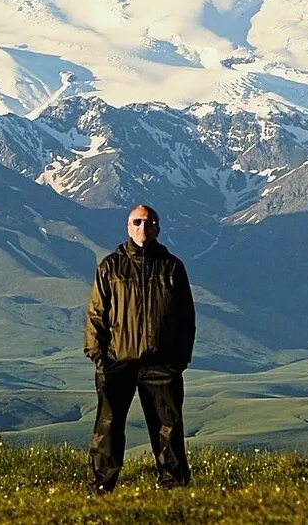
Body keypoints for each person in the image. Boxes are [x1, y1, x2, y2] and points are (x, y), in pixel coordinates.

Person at [83, 203, 196, 493]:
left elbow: (186, 317)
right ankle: (99, 488)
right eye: (137, 222)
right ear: (127, 226)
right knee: (108, 426)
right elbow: (97, 313)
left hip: (162, 364)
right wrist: (98, 356)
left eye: (148, 222)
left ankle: (173, 487)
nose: (143, 227)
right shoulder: (110, 266)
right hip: (117, 361)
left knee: (168, 427)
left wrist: (179, 360)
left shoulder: (172, 267)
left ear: (158, 227)